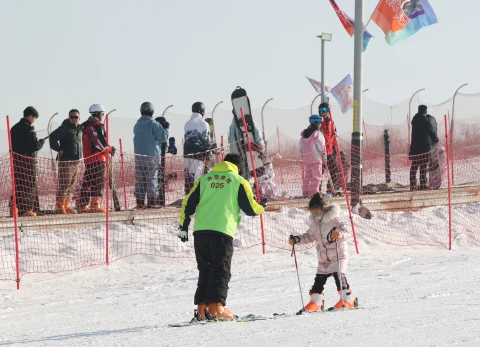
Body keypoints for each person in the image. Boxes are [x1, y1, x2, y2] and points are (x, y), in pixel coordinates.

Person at [178, 153, 266, 320]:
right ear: (239, 168)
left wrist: (183, 225)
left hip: (200, 231)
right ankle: (217, 308)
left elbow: (188, 202)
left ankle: (202, 309)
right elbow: (251, 209)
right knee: (220, 269)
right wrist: (262, 206)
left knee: (205, 270)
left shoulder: (205, 179)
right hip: (221, 230)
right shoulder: (238, 181)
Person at [288, 193, 357, 311]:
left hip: (337, 255)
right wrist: (297, 239)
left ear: (323, 209)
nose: (315, 215)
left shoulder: (333, 219)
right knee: (319, 280)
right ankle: (316, 301)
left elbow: (347, 233)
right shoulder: (315, 223)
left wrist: (338, 234)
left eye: (317, 212)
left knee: (339, 276)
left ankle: (348, 299)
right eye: (312, 213)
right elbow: (309, 236)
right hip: (323, 258)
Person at [78, 104, 115, 213]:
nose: (102, 116)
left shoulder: (86, 126)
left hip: (88, 158)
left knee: (88, 181)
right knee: (98, 182)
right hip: (98, 158)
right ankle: (95, 204)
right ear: (98, 114)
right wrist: (110, 149)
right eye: (102, 114)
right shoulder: (95, 126)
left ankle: (83, 204)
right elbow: (100, 143)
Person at [10, 106, 45, 217]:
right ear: (30, 116)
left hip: (16, 160)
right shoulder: (29, 128)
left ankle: (15, 208)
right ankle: (27, 209)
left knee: (18, 184)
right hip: (28, 161)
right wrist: (41, 142)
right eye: (34, 118)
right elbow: (34, 146)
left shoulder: (14, 128)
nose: (34, 120)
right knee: (29, 185)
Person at [133, 102, 168, 209]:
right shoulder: (154, 124)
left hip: (139, 157)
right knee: (152, 179)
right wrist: (166, 128)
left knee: (140, 180)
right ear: (152, 112)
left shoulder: (137, 125)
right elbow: (163, 138)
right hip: (152, 158)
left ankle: (140, 202)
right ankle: (152, 202)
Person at [49, 109, 82, 214]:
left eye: (76, 117)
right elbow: (52, 137)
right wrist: (59, 149)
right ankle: (60, 206)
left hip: (76, 161)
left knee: (72, 184)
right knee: (64, 184)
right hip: (66, 161)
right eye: (71, 117)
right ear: (69, 118)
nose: (74, 119)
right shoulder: (64, 128)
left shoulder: (79, 129)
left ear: (79, 118)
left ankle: (66, 205)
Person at [183, 102, 211, 194]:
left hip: (187, 154)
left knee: (188, 176)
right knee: (197, 177)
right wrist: (208, 155)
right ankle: (196, 197)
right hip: (199, 155)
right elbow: (206, 140)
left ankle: (188, 195)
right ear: (201, 111)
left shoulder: (187, 124)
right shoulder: (204, 124)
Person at [409, 105, 438, 191]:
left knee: (414, 166)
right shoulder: (425, 120)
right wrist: (436, 139)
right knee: (423, 167)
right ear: (425, 111)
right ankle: (422, 185)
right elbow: (432, 131)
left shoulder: (414, 120)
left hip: (415, 148)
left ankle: (412, 185)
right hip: (424, 148)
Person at [299, 114, 327, 197]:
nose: (320, 125)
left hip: (307, 159)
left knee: (307, 177)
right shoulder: (317, 134)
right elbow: (321, 146)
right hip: (316, 159)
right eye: (319, 123)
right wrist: (324, 154)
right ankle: (314, 194)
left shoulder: (304, 134)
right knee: (317, 177)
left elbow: (301, 146)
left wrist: (303, 155)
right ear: (316, 123)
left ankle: (305, 193)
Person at [319, 103, 341, 195]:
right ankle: (317, 191)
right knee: (319, 172)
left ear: (328, 111)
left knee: (334, 171)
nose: (323, 113)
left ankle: (330, 189)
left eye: (325, 111)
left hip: (330, 151)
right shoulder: (320, 122)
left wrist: (335, 149)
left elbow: (332, 136)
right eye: (321, 111)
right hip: (323, 151)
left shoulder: (330, 122)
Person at [154, 116, 171, 207]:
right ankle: (159, 200)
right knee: (158, 180)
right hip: (159, 159)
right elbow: (165, 138)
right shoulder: (161, 134)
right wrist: (167, 128)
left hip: (155, 158)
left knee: (155, 180)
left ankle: (156, 200)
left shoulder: (152, 132)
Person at [426, 113, 440, 190]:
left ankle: (433, 183)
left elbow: (430, 132)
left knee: (432, 164)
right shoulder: (433, 120)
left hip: (431, 144)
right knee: (434, 163)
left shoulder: (428, 121)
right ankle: (435, 182)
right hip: (434, 144)